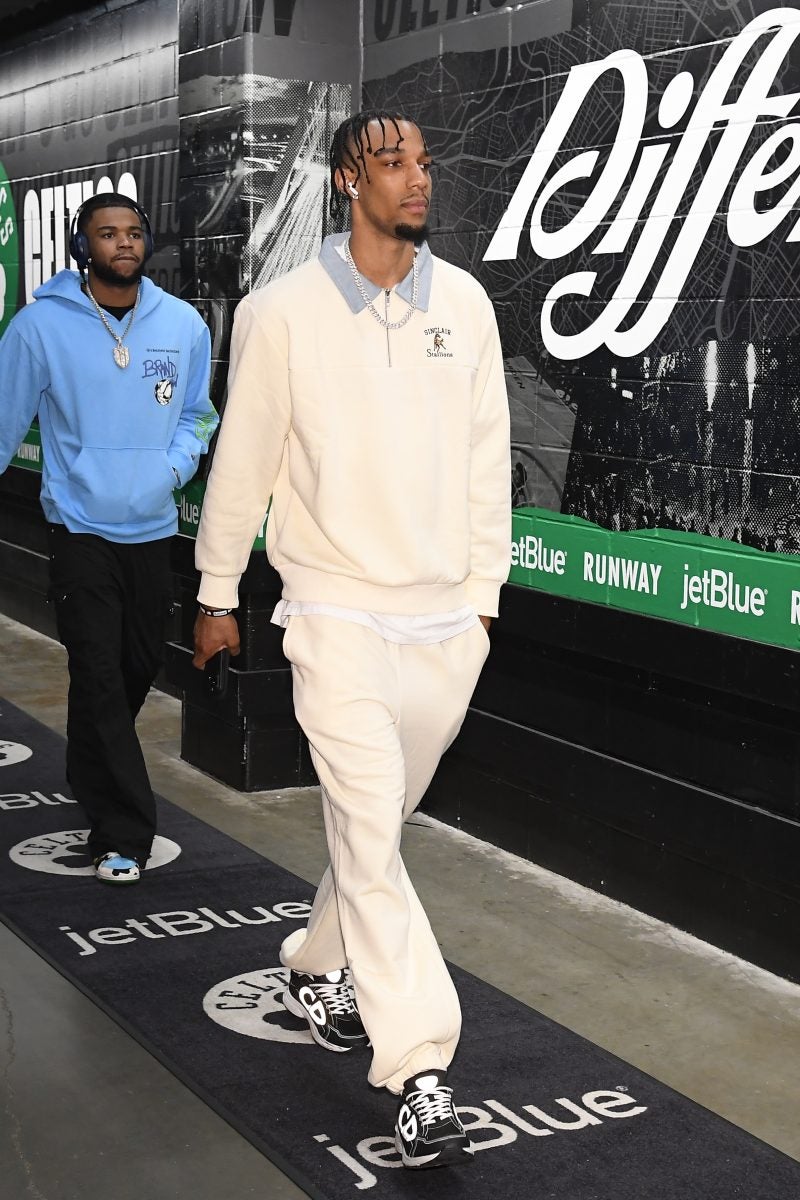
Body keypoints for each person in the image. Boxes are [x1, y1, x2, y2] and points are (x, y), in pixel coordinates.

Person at [192, 110, 510, 1169]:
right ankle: (420, 1067)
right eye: (391, 162)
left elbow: (484, 459)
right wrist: (217, 587)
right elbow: (245, 453)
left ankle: (315, 962)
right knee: (371, 836)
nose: (417, 178)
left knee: (372, 831)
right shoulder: (281, 314)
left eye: (424, 160)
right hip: (331, 615)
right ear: (344, 180)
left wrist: (478, 602)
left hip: (441, 627)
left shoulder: (461, 304)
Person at [0, 192, 217, 885]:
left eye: (132, 232)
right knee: (96, 671)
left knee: (134, 669)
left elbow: (197, 415)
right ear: (81, 246)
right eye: (107, 234)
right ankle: (122, 833)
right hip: (79, 529)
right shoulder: (39, 329)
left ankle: (89, 766)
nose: (123, 243)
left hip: (152, 529)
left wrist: (171, 469)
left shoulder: (181, 324)